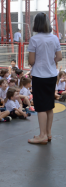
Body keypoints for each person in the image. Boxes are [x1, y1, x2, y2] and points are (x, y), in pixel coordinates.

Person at [27, 13, 62, 144]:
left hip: (39, 75)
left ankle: (42, 136)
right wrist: (50, 61)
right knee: (49, 106)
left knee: (41, 106)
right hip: (52, 74)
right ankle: (48, 133)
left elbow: (31, 60)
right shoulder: (54, 38)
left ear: (36, 23)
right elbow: (59, 57)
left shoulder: (34, 39)